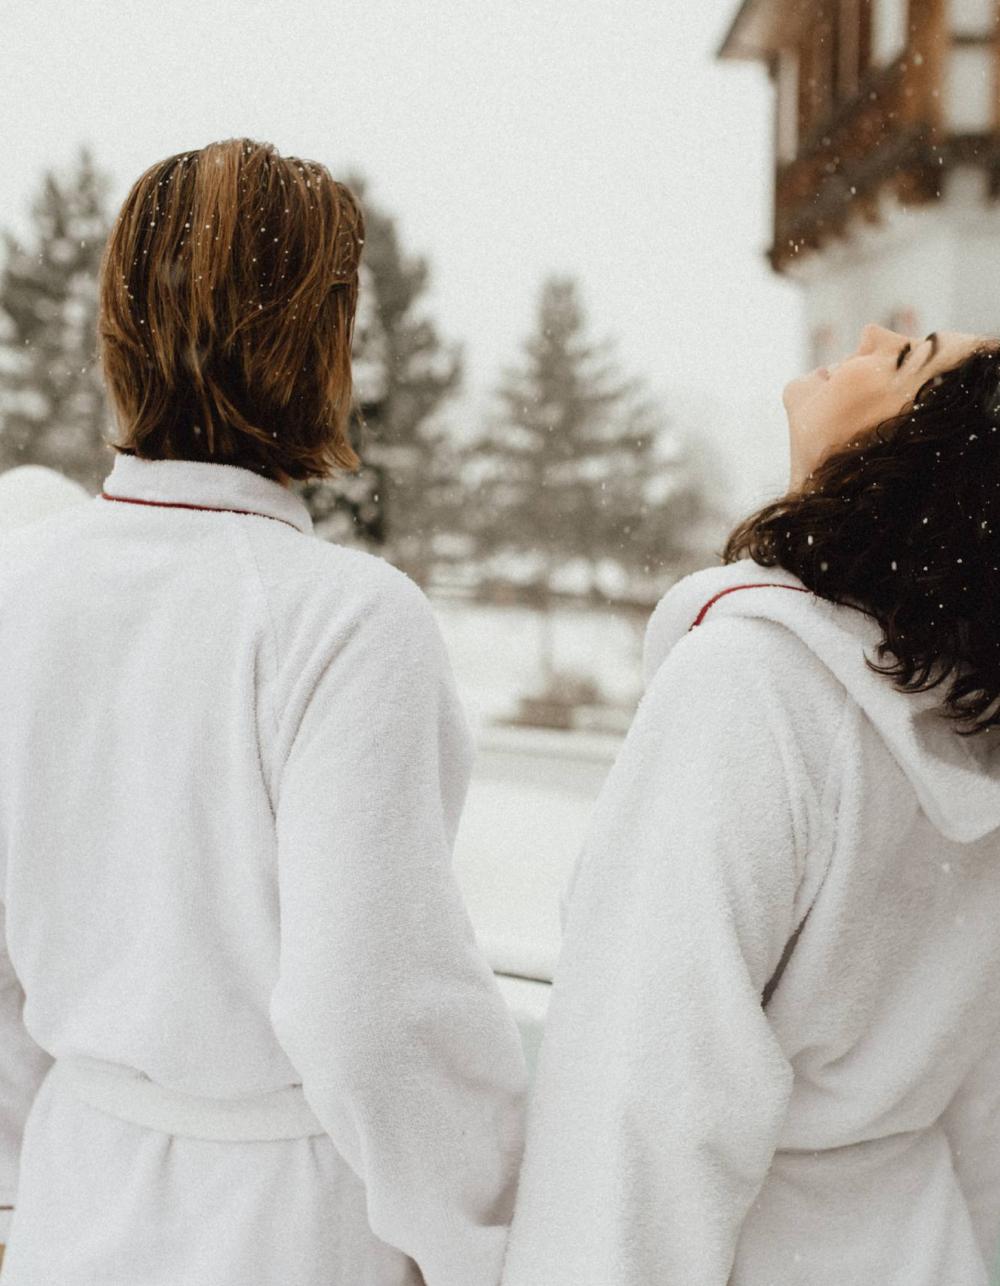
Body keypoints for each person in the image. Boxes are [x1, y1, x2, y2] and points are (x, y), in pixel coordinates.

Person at [0, 138, 527, 1286]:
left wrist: (20, 1176)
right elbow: (372, 1006)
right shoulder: (342, 618)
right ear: (323, 340)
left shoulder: (18, 589)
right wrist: (481, 1238)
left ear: (119, 325)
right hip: (287, 1223)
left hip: (72, 1195)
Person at [500, 324, 1000, 1286]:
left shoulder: (755, 686)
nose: (871, 333)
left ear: (915, 462)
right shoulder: (973, 719)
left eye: (904, 356)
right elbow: (981, 1102)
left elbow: (645, 1096)